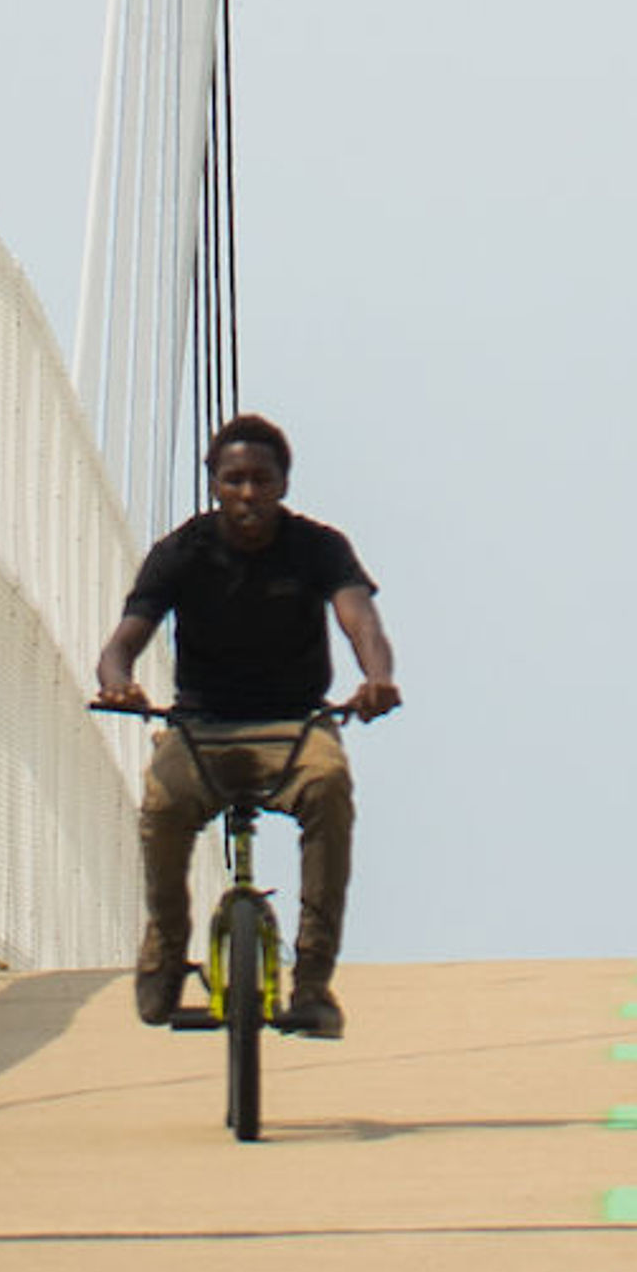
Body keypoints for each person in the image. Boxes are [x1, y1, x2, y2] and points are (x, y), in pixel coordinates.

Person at [95, 411, 400, 1038]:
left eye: (262, 480)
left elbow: (360, 618)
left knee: (329, 789)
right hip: (201, 729)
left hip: (295, 727)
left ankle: (312, 983)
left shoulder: (319, 547)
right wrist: (116, 681)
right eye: (234, 480)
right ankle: (167, 943)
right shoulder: (181, 553)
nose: (249, 494)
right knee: (164, 805)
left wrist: (376, 678)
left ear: (284, 484)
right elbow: (123, 641)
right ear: (214, 485)